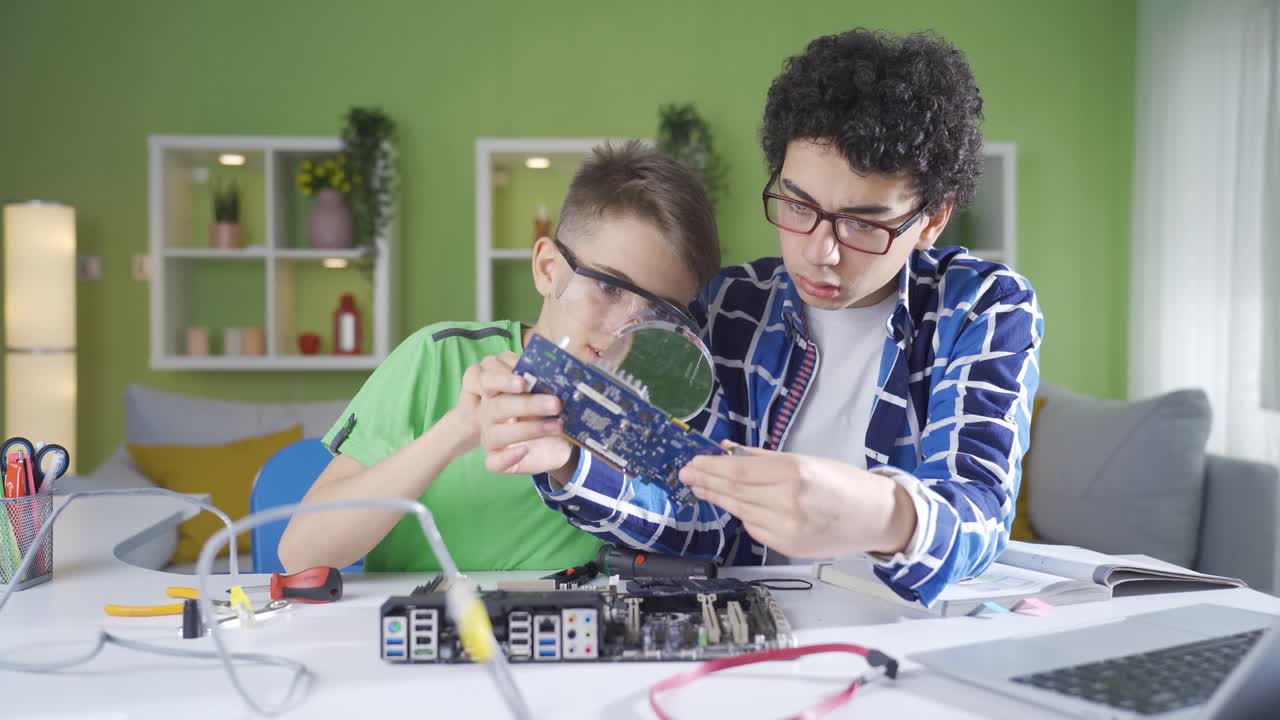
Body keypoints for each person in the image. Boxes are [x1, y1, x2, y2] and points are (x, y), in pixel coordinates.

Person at [473, 29, 1043, 606]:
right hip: (751, 625)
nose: (821, 250)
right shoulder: (731, 306)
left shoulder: (982, 306)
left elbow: (979, 512)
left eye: (864, 223)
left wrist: (876, 512)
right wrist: (569, 463)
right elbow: (700, 520)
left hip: (910, 631)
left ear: (931, 220)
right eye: (798, 205)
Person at [278, 140, 721, 573]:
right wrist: (458, 430)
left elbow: (700, 538)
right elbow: (301, 555)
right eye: (608, 287)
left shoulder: (657, 412)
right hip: (426, 630)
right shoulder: (437, 359)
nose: (624, 327)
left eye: (658, 314)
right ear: (548, 268)